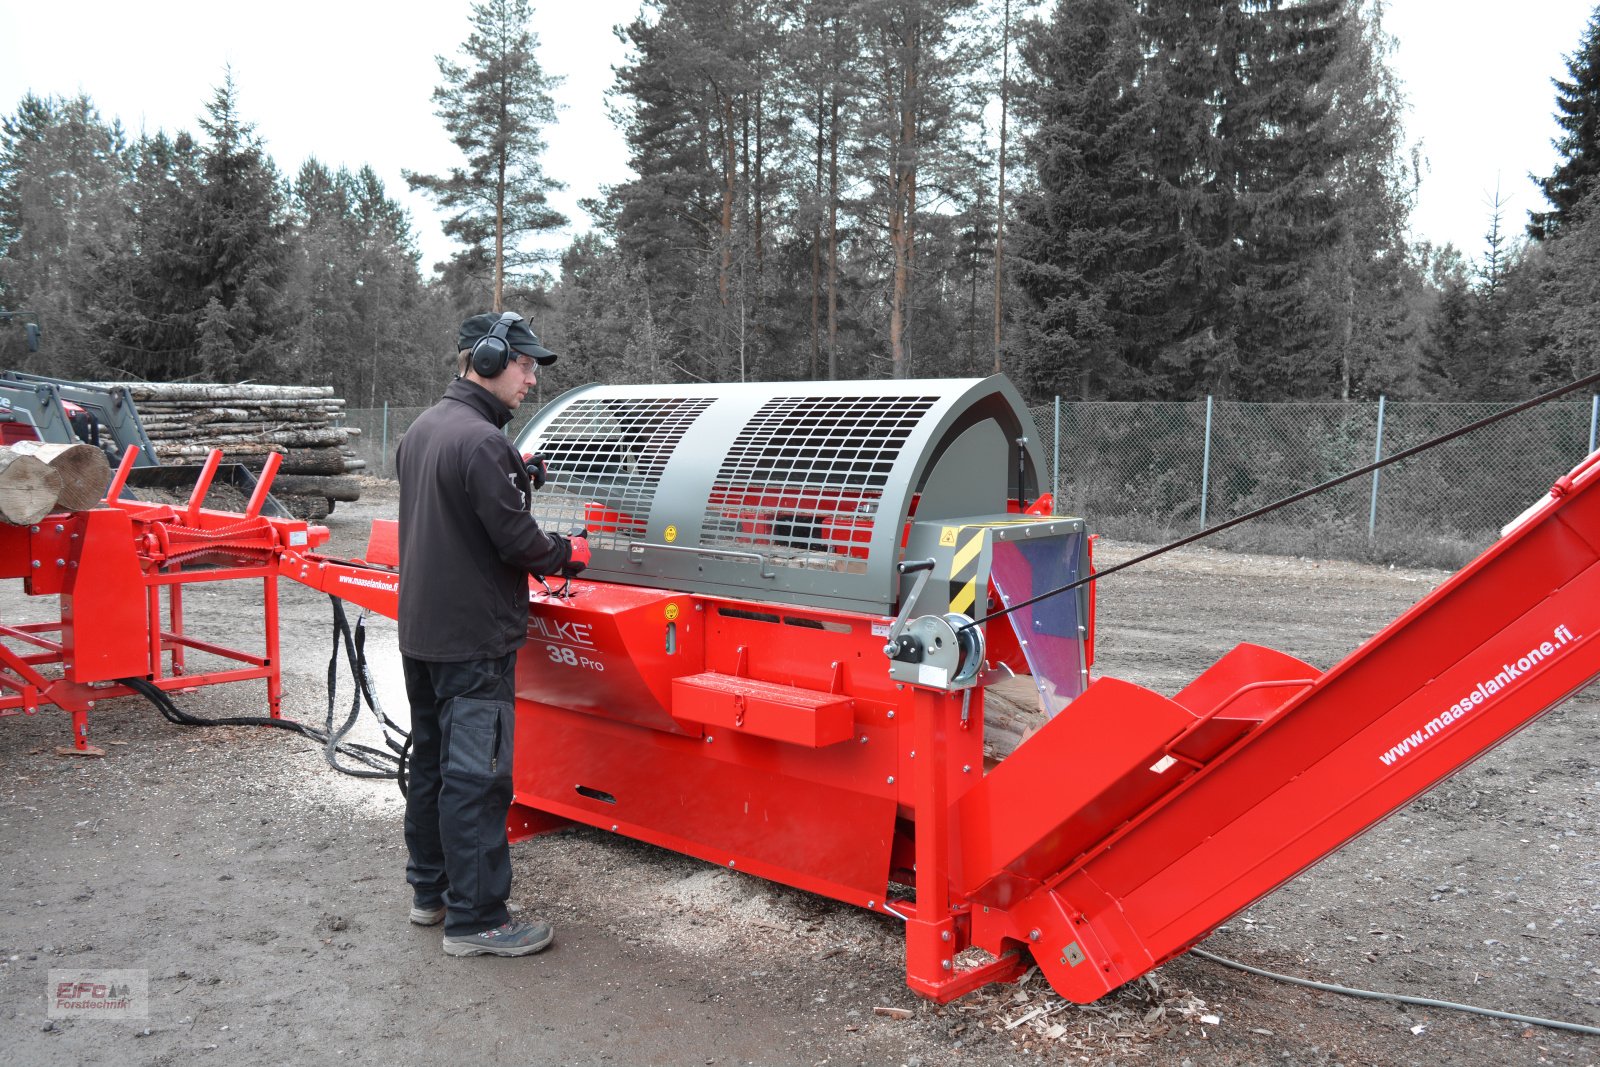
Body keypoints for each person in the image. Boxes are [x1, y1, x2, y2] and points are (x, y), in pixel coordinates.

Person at [395, 311, 591, 957]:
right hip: (475, 639)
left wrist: (516, 476)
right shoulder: (482, 442)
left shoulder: (427, 428)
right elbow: (519, 544)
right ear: (484, 359)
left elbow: (459, 504)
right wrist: (571, 549)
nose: (531, 379)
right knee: (477, 777)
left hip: (424, 630)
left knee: (432, 763)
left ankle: (431, 892)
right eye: (525, 364)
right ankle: (478, 919)